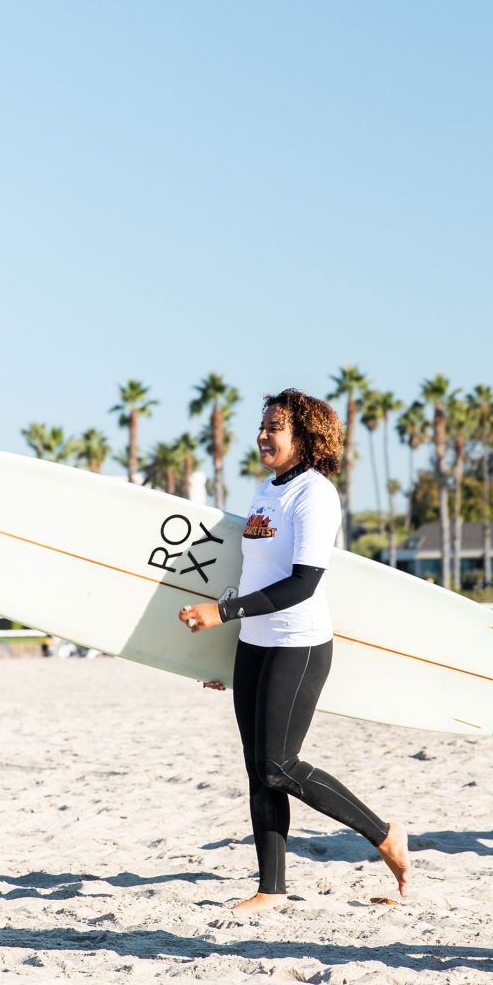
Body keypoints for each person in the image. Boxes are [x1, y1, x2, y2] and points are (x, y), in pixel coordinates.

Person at [178, 388, 410, 914]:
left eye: (275, 426)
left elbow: (302, 583)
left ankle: (385, 833)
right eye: (262, 425)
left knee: (280, 764)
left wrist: (222, 613)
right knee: (257, 768)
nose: (263, 435)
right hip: (255, 644)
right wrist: (222, 649)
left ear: (305, 437)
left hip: (298, 643)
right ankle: (272, 889)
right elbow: (252, 575)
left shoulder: (315, 495)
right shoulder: (266, 491)